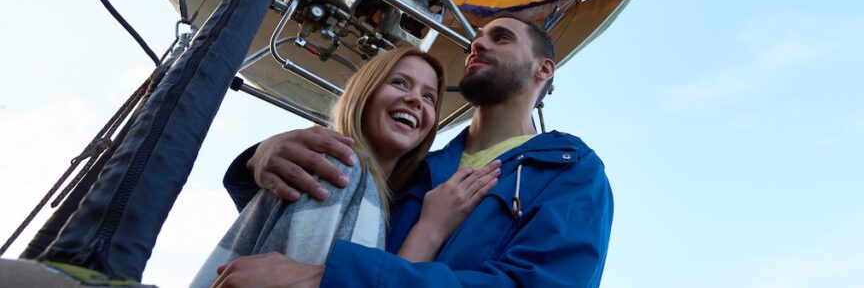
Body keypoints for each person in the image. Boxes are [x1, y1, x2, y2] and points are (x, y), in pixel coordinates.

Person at [215, 15, 614, 287]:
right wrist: (257, 160)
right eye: (477, 38)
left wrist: (327, 278)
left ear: (544, 70)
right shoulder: (414, 169)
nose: (477, 43)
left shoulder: (569, 172)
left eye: (502, 38)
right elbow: (300, 227)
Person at [191, 47, 500, 287]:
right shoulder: (341, 169)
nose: (416, 100)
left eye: (429, 97)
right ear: (364, 93)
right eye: (399, 82)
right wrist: (430, 231)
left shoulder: (384, 193)